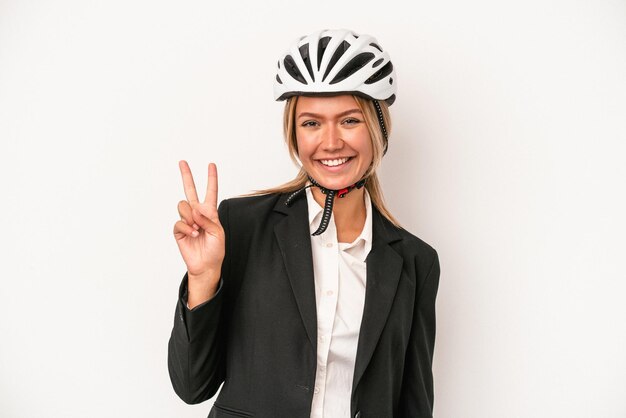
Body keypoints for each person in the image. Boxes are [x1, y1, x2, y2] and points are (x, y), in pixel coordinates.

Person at [168, 29, 441, 418]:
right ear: (294, 134)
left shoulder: (416, 262)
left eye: (349, 120)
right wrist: (203, 278)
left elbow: (413, 405)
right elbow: (191, 386)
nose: (330, 142)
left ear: (378, 128)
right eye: (311, 123)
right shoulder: (240, 226)